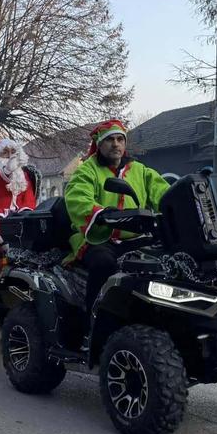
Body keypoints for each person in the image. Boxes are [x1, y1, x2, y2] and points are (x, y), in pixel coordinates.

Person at [65, 119, 171, 311]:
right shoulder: (87, 170)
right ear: (99, 144)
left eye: (120, 139)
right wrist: (104, 214)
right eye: (110, 140)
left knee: (166, 260)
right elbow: (78, 198)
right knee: (103, 264)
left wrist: (179, 202)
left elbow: (162, 192)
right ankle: (94, 317)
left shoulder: (140, 170)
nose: (116, 144)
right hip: (98, 238)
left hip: (137, 238)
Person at [0, 138, 37, 231]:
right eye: (5, 152)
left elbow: (28, 197)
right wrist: (5, 171)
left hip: (18, 216)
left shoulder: (22, 174)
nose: (10, 156)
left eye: (13, 152)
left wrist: (26, 211)